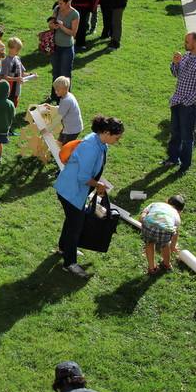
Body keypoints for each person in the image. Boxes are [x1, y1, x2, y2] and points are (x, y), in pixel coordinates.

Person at [54, 115, 125, 278]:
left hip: (74, 191)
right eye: (117, 137)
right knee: (76, 226)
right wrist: (99, 185)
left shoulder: (99, 142)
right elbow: (83, 178)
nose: (118, 141)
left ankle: (64, 248)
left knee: (72, 221)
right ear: (107, 133)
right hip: (70, 192)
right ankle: (69, 263)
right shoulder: (91, 148)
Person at [160, 32, 196, 176]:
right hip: (176, 100)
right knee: (175, 133)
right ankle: (173, 158)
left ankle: (184, 165)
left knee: (187, 138)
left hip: (189, 105)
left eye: (187, 42)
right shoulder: (187, 56)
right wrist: (175, 63)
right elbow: (176, 74)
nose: (185, 44)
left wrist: (189, 100)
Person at [47, 0, 80, 103]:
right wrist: (53, 26)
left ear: (67, 2)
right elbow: (50, 24)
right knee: (55, 72)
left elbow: (73, 32)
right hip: (55, 46)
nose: (59, 5)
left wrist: (61, 26)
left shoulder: (75, 14)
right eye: (58, 3)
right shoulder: (57, 9)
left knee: (65, 74)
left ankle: (65, 99)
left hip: (67, 47)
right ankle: (54, 96)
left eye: (61, 3)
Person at [140, 195, 185, 275]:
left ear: (166, 201)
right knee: (165, 246)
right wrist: (173, 247)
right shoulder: (177, 216)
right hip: (165, 230)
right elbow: (175, 235)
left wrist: (143, 219)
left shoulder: (155, 204)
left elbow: (143, 215)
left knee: (149, 245)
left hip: (148, 225)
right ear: (180, 211)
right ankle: (167, 264)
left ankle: (152, 268)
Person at [42, 77, 82, 145]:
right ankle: (57, 150)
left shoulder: (67, 100)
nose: (56, 92)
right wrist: (51, 107)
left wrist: (47, 130)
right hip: (68, 127)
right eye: (55, 90)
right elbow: (62, 108)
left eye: (58, 90)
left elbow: (58, 118)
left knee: (66, 147)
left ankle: (66, 154)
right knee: (60, 140)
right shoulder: (67, 96)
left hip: (72, 129)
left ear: (66, 89)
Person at [0, 36, 31, 107]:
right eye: (16, 50)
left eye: (19, 50)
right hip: (9, 90)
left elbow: (22, 73)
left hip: (16, 90)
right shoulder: (6, 61)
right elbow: (5, 77)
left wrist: (31, 75)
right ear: (10, 48)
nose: (18, 52)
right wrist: (17, 79)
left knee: (14, 105)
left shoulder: (18, 59)